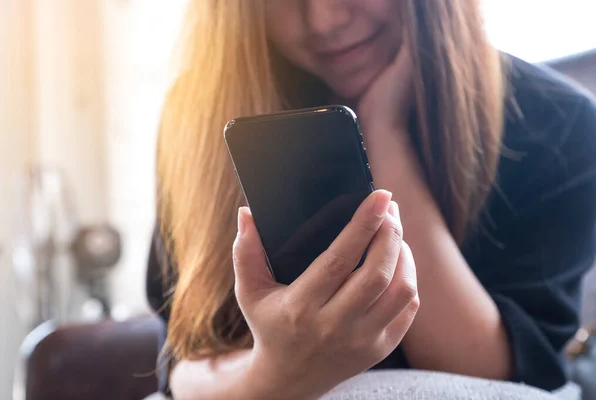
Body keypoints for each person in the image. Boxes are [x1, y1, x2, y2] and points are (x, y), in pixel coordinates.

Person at [147, 0, 596, 399]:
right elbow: (184, 359)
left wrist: (384, 130)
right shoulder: (198, 112)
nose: (324, 20)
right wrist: (275, 375)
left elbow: (504, 376)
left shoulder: (557, 122)